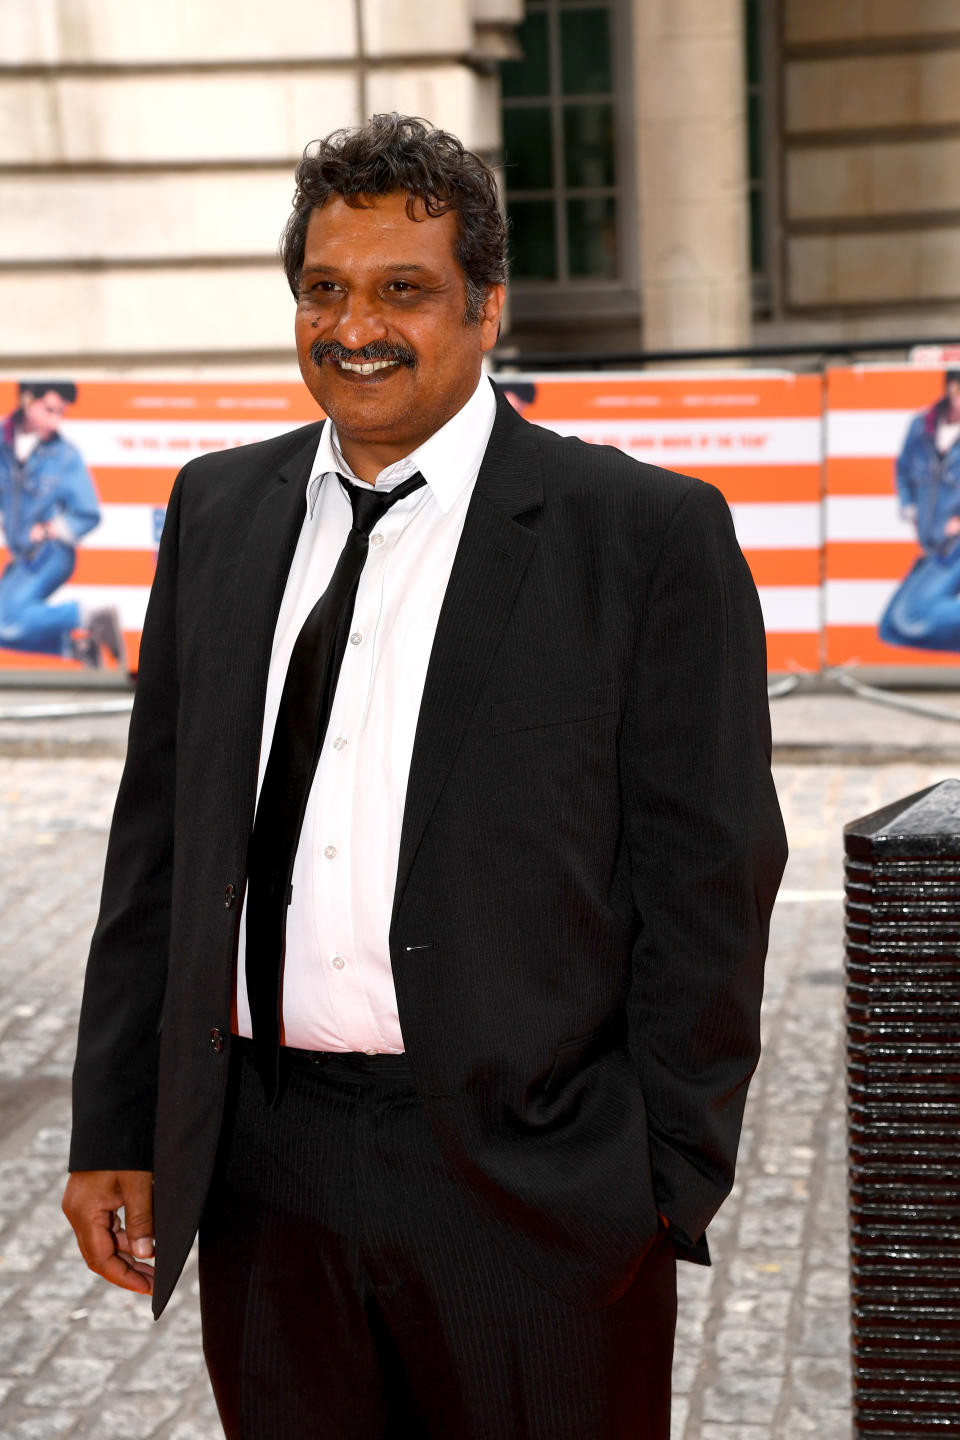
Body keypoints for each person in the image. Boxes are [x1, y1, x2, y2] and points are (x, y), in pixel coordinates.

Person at [63, 114, 786, 1440]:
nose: (357, 328)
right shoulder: (218, 512)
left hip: (529, 1181)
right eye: (324, 291)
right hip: (264, 1169)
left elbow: (712, 874)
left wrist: (659, 1174)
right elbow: (157, 844)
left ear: (485, 306)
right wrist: (115, 1120)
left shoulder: (641, 536)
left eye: (405, 290)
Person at [0, 381, 126, 669]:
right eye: (49, 410)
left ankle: (88, 614)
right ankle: (79, 647)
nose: (56, 420)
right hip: (21, 556)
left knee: (5, 619)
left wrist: (48, 529)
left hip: (51, 552)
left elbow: (87, 512)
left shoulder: (65, 455)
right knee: (3, 624)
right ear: (26, 401)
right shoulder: (2, 444)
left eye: (61, 412)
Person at [879, 369, 960, 651]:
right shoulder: (921, 426)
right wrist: (908, 506)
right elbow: (903, 469)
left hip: (954, 545)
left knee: (912, 616)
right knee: (890, 627)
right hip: (933, 543)